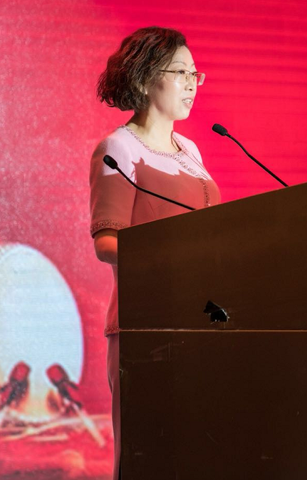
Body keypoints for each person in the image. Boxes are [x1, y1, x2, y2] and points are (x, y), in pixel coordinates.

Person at [89, 26, 220, 480]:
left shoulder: (191, 151)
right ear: (145, 79)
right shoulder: (119, 148)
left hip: (202, 322)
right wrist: (172, 259)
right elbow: (106, 241)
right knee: (150, 455)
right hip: (146, 327)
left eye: (195, 74)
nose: (192, 83)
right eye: (181, 72)